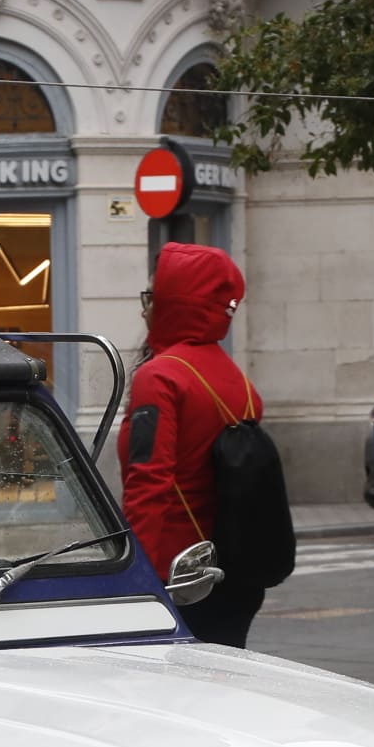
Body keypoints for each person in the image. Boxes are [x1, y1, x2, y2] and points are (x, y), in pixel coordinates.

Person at [121, 242, 267, 645]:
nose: (143, 308)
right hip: (229, 572)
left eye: (152, 296)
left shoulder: (161, 378)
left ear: (174, 303)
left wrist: (134, 575)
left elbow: (149, 485)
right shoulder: (239, 380)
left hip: (176, 576)